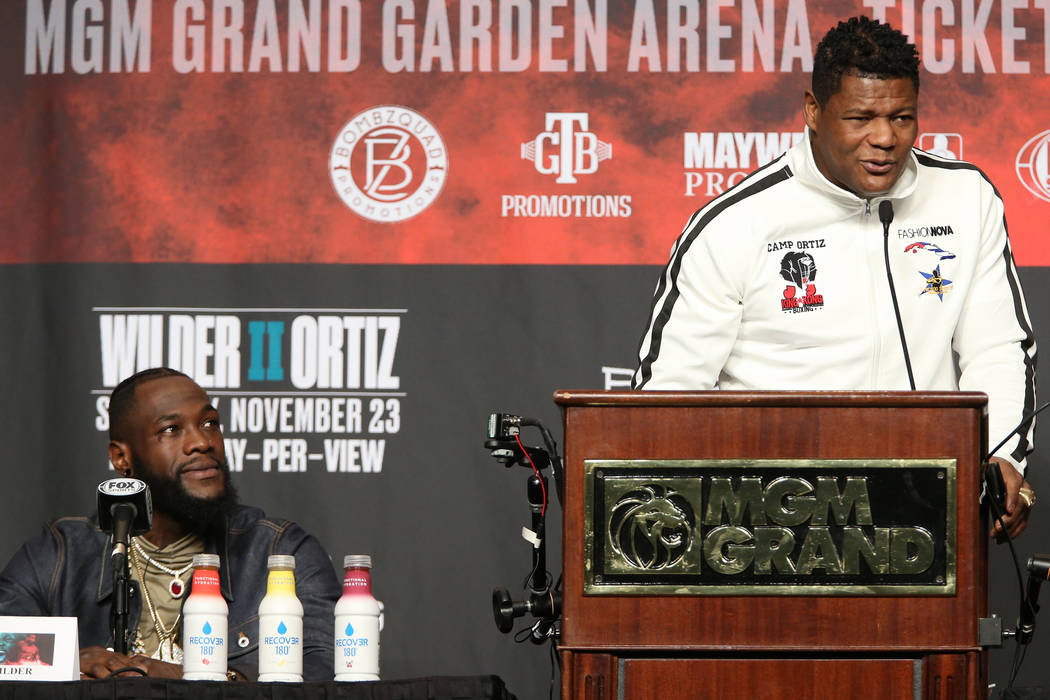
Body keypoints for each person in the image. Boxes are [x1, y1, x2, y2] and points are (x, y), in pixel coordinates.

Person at [632, 16, 1036, 539]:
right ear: (813, 111)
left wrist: (1003, 456)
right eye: (861, 117)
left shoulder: (967, 199)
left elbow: (997, 347)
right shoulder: (735, 224)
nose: (886, 138)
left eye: (902, 117)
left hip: (924, 506)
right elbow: (668, 394)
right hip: (771, 518)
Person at [0, 368, 341, 680]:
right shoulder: (62, 552)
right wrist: (68, 659)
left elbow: (325, 665)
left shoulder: (278, 551)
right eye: (171, 430)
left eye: (209, 423)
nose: (201, 442)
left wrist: (194, 680)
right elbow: (3, 645)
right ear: (122, 458)